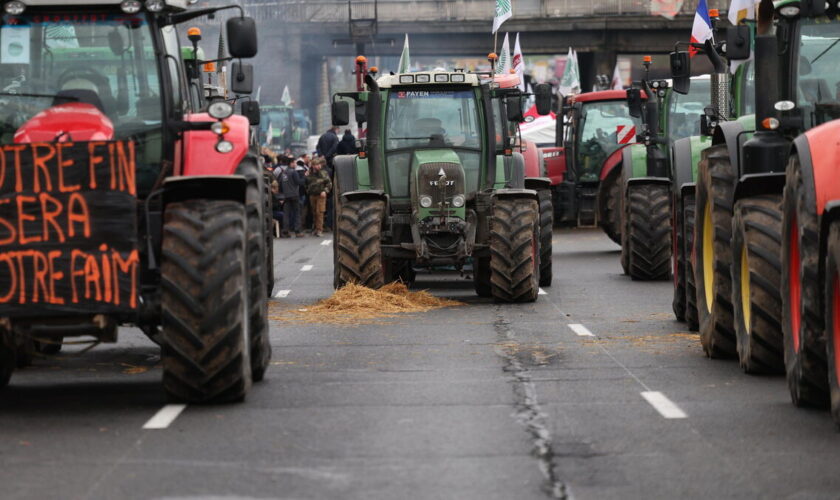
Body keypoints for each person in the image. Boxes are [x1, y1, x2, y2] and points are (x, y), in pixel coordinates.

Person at [306, 157, 332, 237]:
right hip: (312, 195)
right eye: (316, 165)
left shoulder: (323, 173)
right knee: (314, 212)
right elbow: (306, 183)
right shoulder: (309, 173)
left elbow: (329, 183)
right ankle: (315, 228)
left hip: (321, 195)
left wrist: (325, 191)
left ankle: (319, 230)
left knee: (319, 212)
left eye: (319, 164)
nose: (318, 166)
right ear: (313, 165)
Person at [278, 159, 304, 237]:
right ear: (291, 163)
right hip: (294, 195)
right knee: (297, 213)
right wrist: (304, 177)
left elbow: (280, 184)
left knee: (286, 214)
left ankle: (285, 231)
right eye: (295, 162)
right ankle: (298, 231)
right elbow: (299, 182)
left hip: (286, 196)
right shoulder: (294, 172)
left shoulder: (283, 173)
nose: (296, 164)